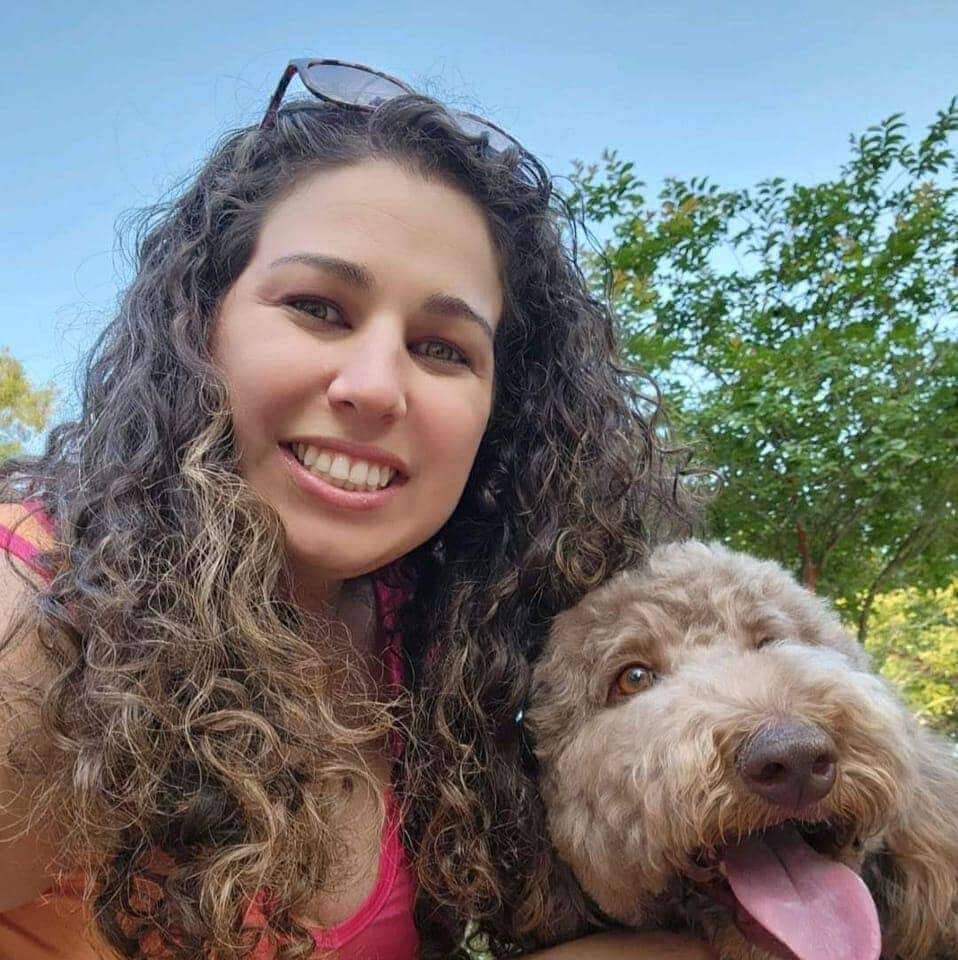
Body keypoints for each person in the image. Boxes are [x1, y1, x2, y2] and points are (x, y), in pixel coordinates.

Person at [0, 59, 706, 959]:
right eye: (319, 308)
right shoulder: (43, 625)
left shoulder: (445, 641)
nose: (375, 387)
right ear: (198, 328)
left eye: (443, 349)